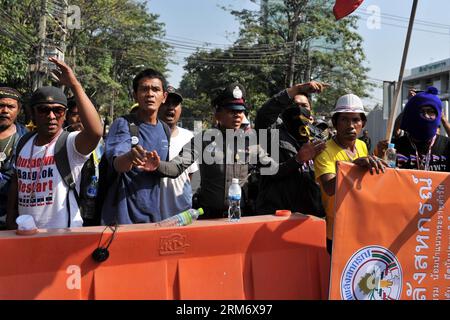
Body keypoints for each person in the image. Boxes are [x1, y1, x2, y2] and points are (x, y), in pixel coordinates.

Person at [144, 82, 275, 219]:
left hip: (240, 216)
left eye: (240, 111)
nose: (237, 115)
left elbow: (275, 170)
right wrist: (157, 166)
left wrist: (297, 160)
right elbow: (177, 167)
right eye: (232, 110)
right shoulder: (203, 140)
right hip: (209, 216)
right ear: (218, 114)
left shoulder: (250, 141)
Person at [6, 57, 103, 229]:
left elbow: (95, 132)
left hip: (63, 235)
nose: (51, 116)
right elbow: (16, 181)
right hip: (25, 235)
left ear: (64, 114)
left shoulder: (69, 143)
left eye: (57, 110)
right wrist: (10, 222)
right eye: (44, 110)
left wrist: (75, 85)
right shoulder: (23, 142)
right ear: (33, 113)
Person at [314, 93, 386, 255]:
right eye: (344, 120)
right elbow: (329, 188)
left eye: (355, 120)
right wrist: (353, 165)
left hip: (361, 227)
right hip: (336, 231)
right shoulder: (324, 152)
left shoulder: (361, 145)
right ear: (335, 123)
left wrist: (379, 156)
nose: (351, 125)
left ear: (363, 123)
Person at [101, 68, 171, 225]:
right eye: (144, 89)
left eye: (155, 89)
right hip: (121, 220)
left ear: (164, 96)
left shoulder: (165, 129)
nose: (150, 94)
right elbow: (117, 164)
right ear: (135, 95)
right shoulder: (123, 124)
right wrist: (131, 157)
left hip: (153, 218)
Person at [254, 81, 327, 217]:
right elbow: (265, 114)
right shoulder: (272, 132)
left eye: (304, 106)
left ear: (311, 112)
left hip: (309, 216)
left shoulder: (319, 138)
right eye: (294, 105)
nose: (299, 109)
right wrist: (298, 159)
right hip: (276, 215)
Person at [377, 87, 450, 172]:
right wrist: (411, 104)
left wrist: (444, 120)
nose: (426, 116)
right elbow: (384, 175)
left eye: (431, 111)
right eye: (421, 111)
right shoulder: (394, 148)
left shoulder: (446, 145)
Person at [157, 86, 199, 219]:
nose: (171, 108)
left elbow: (190, 174)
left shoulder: (189, 137)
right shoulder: (148, 135)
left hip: (182, 213)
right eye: (166, 103)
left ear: (180, 109)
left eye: (175, 104)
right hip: (154, 214)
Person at [65, 97, 104, 226]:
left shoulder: (103, 144)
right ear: (67, 116)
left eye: (85, 114)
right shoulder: (60, 143)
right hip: (67, 212)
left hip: (94, 211)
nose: (80, 119)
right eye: (76, 114)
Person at [0, 87, 28, 229]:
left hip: (13, 215)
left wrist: (12, 215)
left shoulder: (27, 139)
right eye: (1, 105)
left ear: (18, 110)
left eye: (10, 106)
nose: (5, 110)